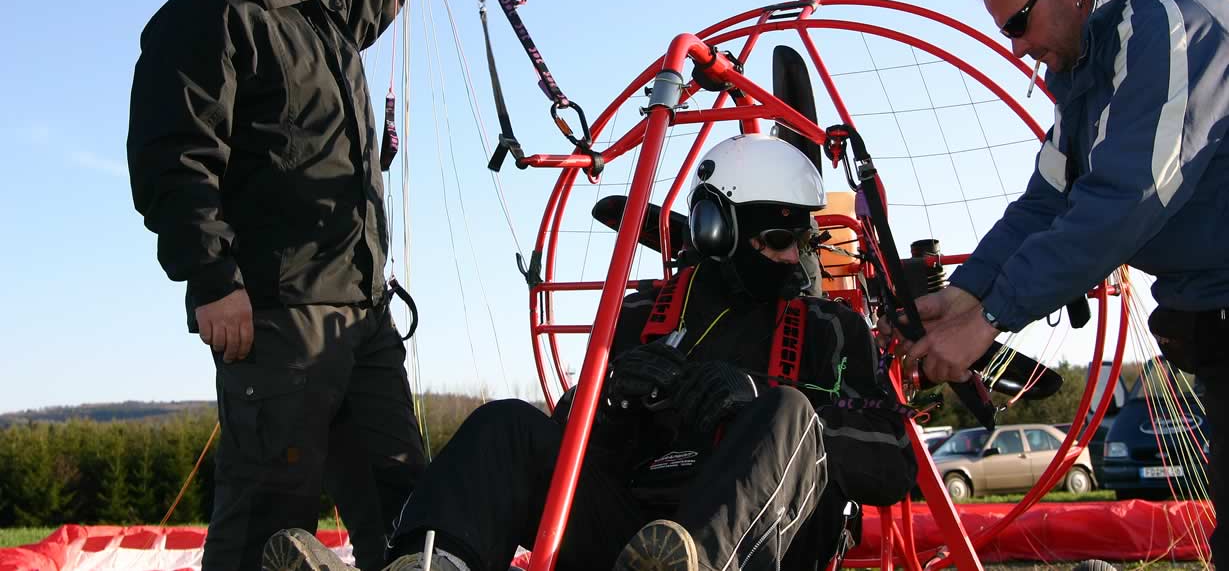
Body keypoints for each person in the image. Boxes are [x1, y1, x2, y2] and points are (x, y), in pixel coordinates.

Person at [263, 134, 917, 571]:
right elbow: (573, 450)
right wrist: (602, 400)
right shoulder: (641, 315)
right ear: (717, 230)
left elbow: (893, 461)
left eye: (804, 240)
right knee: (506, 425)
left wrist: (758, 402)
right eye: (777, 239)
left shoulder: (830, 328)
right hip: (633, 537)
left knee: (787, 412)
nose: (796, 257)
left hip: (757, 543)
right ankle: (431, 563)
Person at [126, 0, 452, 571]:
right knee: (268, 524)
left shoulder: (329, 10)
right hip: (273, 317)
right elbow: (174, 162)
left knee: (408, 511)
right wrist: (213, 279)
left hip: (363, 316)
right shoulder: (201, 21)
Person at [893, 0, 1229, 565]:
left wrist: (988, 321)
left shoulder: (1168, 28)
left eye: (1018, 24)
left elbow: (1123, 199)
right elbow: (1044, 204)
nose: (1017, 48)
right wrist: (963, 295)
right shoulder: (1084, 79)